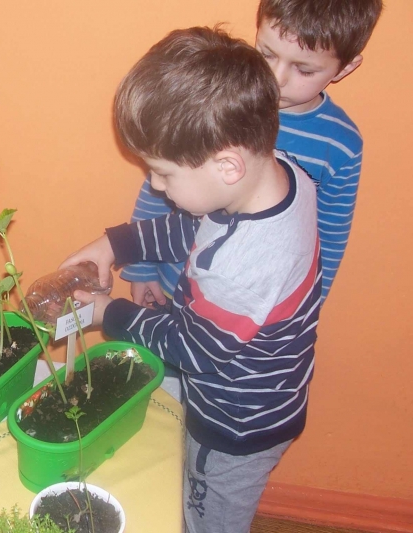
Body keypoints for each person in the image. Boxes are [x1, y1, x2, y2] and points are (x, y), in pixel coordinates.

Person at [61, 27, 321, 533]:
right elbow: (200, 224)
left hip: (234, 425)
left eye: (163, 173)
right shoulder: (276, 174)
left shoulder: (246, 265)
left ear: (227, 165)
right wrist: (118, 244)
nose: (155, 185)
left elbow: (193, 348)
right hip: (256, 387)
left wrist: (107, 314)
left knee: (209, 519)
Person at [122, 0, 383, 402]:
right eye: (267, 53)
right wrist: (141, 266)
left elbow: (328, 239)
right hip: (174, 286)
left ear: (345, 68)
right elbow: (162, 183)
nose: (276, 79)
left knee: (212, 399)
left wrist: (301, 311)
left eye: (304, 69)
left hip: (245, 317)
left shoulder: (340, 144)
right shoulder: (220, 101)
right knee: (164, 394)